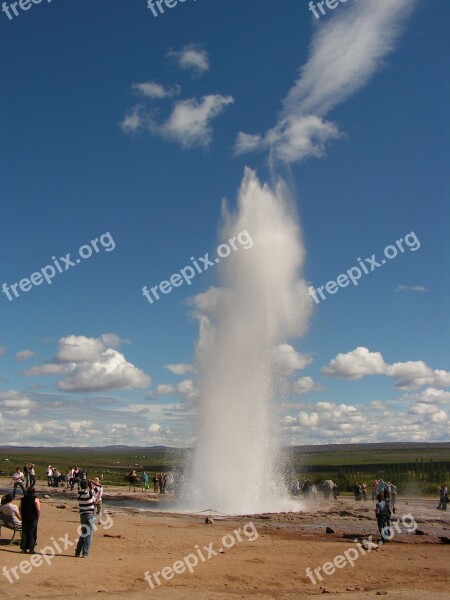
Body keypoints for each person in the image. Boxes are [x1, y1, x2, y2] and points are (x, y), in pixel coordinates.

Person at [75, 480, 95, 558]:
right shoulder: (89, 493)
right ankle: (85, 553)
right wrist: (91, 486)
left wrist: (88, 486)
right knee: (88, 535)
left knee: (83, 534)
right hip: (90, 515)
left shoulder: (79, 494)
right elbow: (94, 493)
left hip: (82, 515)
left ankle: (78, 552)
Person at [19, 487, 40, 554]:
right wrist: (38, 516)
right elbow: (38, 509)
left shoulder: (23, 499)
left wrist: (21, 516)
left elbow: (20, 508)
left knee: (24, 532)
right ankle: (31, 548)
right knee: (32, 532)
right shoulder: (35, 499)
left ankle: (23, 548)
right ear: (34, 492)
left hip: (25, 516)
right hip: (33, 517)